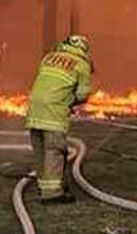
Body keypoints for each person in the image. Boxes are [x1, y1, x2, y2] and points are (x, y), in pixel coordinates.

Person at [25, 34, 93, 203]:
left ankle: (45, 186)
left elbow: (47, 82)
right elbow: (82, 95)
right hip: (53, 111)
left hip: (34, 108)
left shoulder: (49, 57)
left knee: (40, 149)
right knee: (54, 149)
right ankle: (53, 193)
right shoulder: (82, 64)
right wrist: (71, 101)